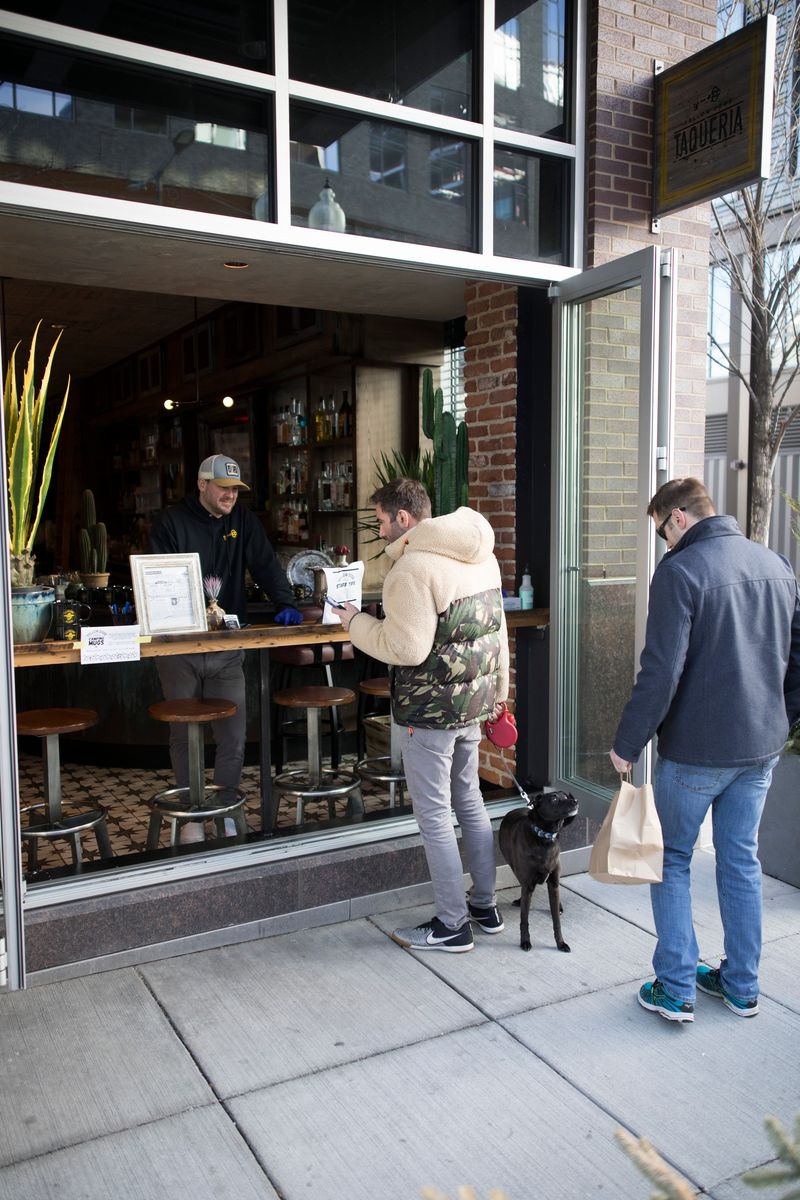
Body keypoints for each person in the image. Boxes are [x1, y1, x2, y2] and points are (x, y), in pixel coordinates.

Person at [609, 477, 800, 1022]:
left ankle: (676, 988)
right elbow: (799, 652)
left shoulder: (681, 571)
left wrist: (628, 742)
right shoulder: (776, 564)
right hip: (760, 748)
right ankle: (741, 986)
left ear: (679, 519)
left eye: (661, 532)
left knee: (670, 860)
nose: (663, 545)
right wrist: (782, 715)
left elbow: (660, 671)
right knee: (740, 860)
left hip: (696, 754)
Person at [337, 477, 510, 953]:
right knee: (469, 801)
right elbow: (498, 635)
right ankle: (483, 905)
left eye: (382, 521)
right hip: (473, 705)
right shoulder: (480, 555)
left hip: (430, 713)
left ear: (405, 519)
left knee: (434, 815)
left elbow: (405, 648)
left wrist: (355, 623)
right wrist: (499, 694)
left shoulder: (412, 569)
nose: (380, 530)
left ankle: (452, 925)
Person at [148, 454, 302, 840]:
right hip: (178, 649)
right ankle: (191, 817)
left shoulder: (242, 521)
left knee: (233, 735)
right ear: (202, 485)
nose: (231, 495)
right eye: (223, 488)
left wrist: (286, 602)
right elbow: (156, 579)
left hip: (227, 648)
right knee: (184, 735)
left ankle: (226, 809)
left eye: (235, 489)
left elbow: (265, 563)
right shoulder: (171, 523)